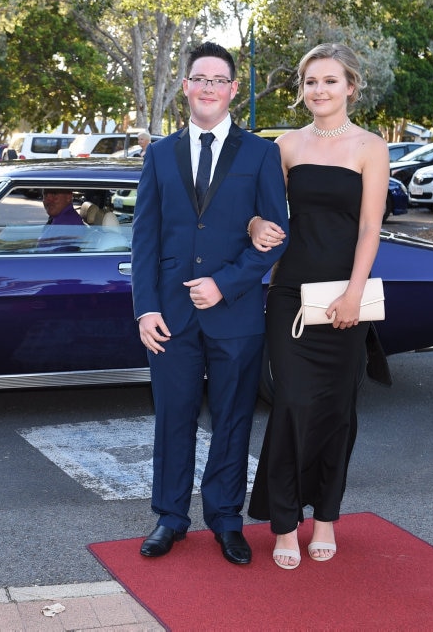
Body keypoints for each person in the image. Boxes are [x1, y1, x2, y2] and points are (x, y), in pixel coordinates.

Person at [131, 41, 289, 566]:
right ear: (186, 86)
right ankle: (170, 518)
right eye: (200, 78)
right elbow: (145, 239)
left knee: (233, 420)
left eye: (219, 80)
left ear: (233, 90)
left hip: (236, 314)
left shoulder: (262, 154)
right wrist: (145, 308)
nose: (208, 88)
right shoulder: (159, 153)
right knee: (172, 418)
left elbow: (276, 235)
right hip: (170, 318)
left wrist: (226, 283)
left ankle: (225, 518)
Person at [247, 43, 388, 570]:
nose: (319, 91)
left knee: (336, 413)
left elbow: (370, 227)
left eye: (330, 81)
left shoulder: (370, 147)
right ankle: (284, 522)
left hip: (345, 297)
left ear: (350, 87)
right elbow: (254, 211)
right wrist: (255, 225)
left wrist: (354, 292)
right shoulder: (283, 146)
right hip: (290, 296)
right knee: (291, 406)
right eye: (310, 82)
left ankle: (325, 517)